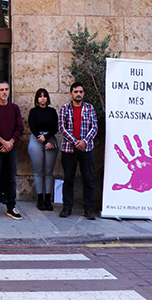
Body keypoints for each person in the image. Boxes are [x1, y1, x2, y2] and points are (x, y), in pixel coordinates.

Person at [0, 80, 24, 221]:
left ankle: (11, 207)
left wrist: (10, 143)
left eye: (6, 89)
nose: (4, 92)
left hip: (11, 148)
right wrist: (3, 142)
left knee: (11, 179)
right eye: (1, 90)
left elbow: (20, 127)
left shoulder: (14, 108)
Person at [58, 82, 98, 220]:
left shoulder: (90, 108)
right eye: (76, 92)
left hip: (87, 148)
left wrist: (84, 141)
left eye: (81, 91)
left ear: (84, 93)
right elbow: (62, 128)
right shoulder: (65, 108)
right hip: (69, 149)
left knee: (88, 179)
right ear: (71, 94)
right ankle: (67, 207)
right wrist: (75, 142)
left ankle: (88, 209)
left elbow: (94, 127)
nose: (78, 94)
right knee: (68, 179)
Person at [28, 87, 58, 212]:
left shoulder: (52, 111)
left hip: (50, 139)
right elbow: (32, 126)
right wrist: (43, 140)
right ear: (37, 99)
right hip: (37, 139)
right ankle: (40, 199)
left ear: (47, 98)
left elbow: (55, 127)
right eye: (40, 96)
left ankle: (48, 199)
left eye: (44, 96)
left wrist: (46, 138)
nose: (42, 98)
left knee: (48, 171)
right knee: (38, 171)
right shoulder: (33, 111)